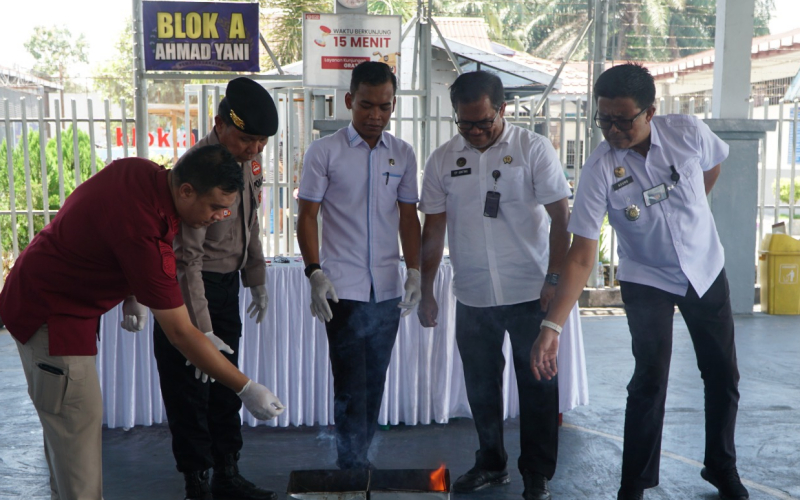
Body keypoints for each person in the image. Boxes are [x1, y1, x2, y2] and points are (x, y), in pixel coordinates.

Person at [0, 145, 284, 500]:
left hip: (45, 297)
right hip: (52, 317)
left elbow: (102, 226)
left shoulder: (139, 172)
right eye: (214, 206)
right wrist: (246, 388)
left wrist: (131, 291)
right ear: (186, 191)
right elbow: (180, 332)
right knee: (79, 449)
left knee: (66, 443)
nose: (220, 216)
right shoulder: (145, 235)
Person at [530, 63, 748, 500]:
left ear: (650, 112)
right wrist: (551, 327)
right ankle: (634, 485)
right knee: (649, 379)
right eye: (604, 119)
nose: (612, 129)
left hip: (705, 269)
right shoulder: (598, 169)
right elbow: (582, 253)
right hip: (646, 277)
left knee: (722, 374)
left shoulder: (687, 132)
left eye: (622, 119)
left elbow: (713, 167)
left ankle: (721, 467)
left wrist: (690, 216)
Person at [417, 71, 570, 500]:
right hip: (473, 294)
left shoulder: (532, 149)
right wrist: (427, 288)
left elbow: (562, 219)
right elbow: (433, 229)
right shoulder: (443, 159)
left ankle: (537, 474)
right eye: (465, 124)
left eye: (483, 122)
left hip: (530, 292)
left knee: (538, 385)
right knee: (481, 387)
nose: (475, 132)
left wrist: (554, 279)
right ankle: (491, 463)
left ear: (502, 109)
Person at [149, 77, 279, 500]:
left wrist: (255, 280)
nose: (254, 149)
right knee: (191, 393)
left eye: (260, 142)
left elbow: (251, 223)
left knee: (227, 387)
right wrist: (200, 330)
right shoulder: (199, 168)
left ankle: (228, 473)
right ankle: (198, 482)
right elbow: (187, 259)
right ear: (219, 124)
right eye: (246, 139)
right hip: (189, 295)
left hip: (226, 288)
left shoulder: (247, 164)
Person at [296, 61, 422, 470]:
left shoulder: (402, 154)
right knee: (351, 381)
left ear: (393, 105)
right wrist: (314, 271)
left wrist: (415, 272)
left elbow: (408, 217)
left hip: (386, 287)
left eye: (384, 107)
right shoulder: (324, 152)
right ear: (349, 101)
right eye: (366, 105)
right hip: (342, 288)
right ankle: (349, 463)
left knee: (375, 379)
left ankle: (359, 456)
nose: (375, 116)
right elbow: (307, 216)